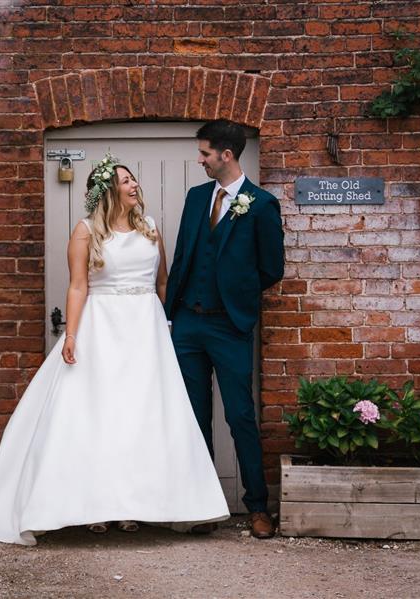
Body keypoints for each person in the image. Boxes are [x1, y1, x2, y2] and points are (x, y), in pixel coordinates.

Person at [0, 154, 229, 545]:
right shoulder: (86, 231)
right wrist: (71, 336)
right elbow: (77, 287)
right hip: (102, 328)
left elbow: (163, 283)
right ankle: (94, 506)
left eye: (133, 178)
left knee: (143, 416)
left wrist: (172, 326)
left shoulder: (151, 228)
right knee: (100, 414)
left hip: (146, 330)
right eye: (126, 181)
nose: (134, 185)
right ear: (109, 191)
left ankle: (133, 507)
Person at [164, 119, 285, 539]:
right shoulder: (197, 198)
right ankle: (202, 506)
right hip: (188, 326)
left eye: (204, 154)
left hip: (230, 327)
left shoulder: (261, 204)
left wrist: (237, 294)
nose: (199, 160)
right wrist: (170, 314)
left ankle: (257, 507)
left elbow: (272, 268)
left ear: (226, 155)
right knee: (194, 418)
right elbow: (183, 257)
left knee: (240, 417)